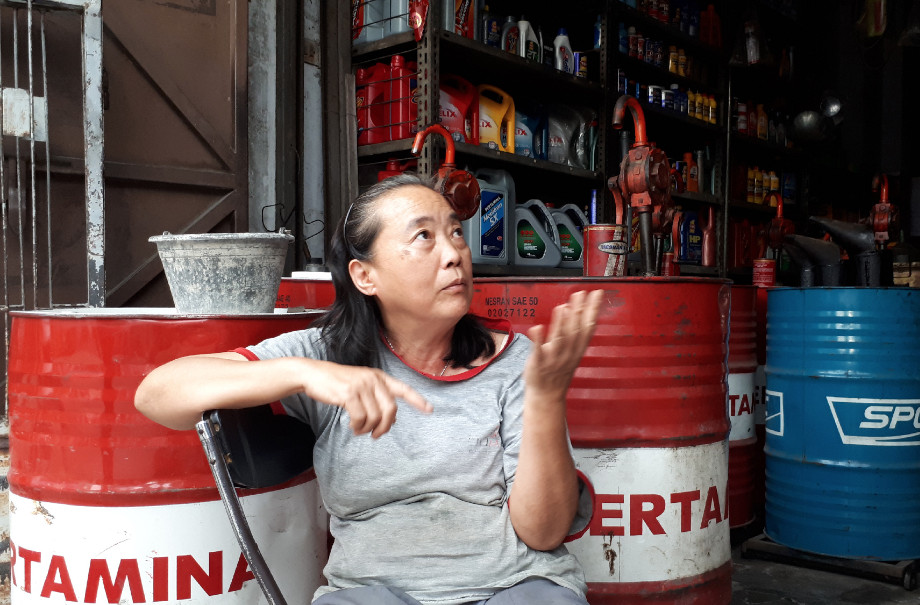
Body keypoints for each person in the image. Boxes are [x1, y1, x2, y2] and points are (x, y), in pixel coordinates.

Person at [135, 173, 604, 605]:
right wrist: (302, 373)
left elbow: (543, 533)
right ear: (365, 276)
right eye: (424, 236)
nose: (454, 253)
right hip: (373, 592)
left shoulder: (517, 360)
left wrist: (545, 400)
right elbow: (157, 393)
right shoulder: (327, 352)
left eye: (456, 232)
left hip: (514, 585)